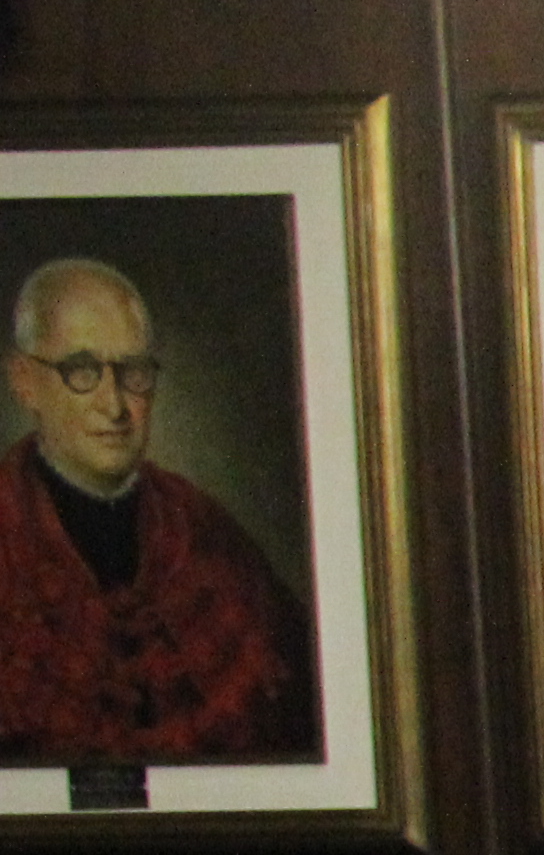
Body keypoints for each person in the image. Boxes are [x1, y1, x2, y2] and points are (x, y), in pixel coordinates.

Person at [0, 253, 313, 762]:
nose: (115, 404)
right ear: (25, 382)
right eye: (82, 370)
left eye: (133, 371)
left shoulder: (204, 531)